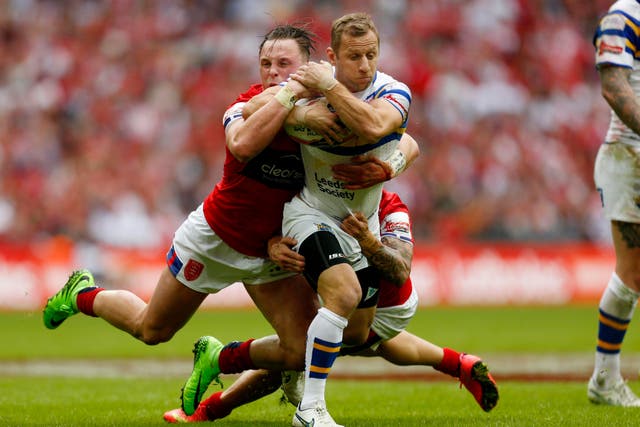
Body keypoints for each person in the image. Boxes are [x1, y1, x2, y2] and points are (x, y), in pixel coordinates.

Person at [42, 23, 405, 389]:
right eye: (266, 63)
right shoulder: (246, 105)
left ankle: (220, 357)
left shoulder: (333, 107)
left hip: (272, 251)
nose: (273, 72)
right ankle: (83, 294)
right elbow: (242, 146)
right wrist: (293, 96)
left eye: (284, 63)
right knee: (151, 329)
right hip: (217, 238)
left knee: (299, 350)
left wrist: (391, 165)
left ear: (310, 65)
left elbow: (401, 139)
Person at [179, 13, 413, 426]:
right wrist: (299, 112)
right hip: (310, 214)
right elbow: (250, 108)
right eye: (354, 56)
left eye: (371, 55)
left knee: (356, 334)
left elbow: (389, 131)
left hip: (359, 221)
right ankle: (311, 410)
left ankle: (226, 357)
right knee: (342, 295)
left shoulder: (392, 91)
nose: (364, 65)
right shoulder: (302, 90)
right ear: (332, 57)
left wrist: (390, 163)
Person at [163, 189, 499, 423]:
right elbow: (270, 225)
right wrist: (271, 245)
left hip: (385, 303)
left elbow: (399, 270)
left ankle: (217, 375)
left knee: (303, 351)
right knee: (320, 346)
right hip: (358, 305)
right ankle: (461, 364)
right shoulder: (311, 198)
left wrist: (368, 241)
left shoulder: (389, 205)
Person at [589, 1, 640, 407]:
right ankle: (605, 380)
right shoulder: (625, 15)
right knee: (633, 275)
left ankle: (604, 380)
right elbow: (614, 86)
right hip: (632, 159)